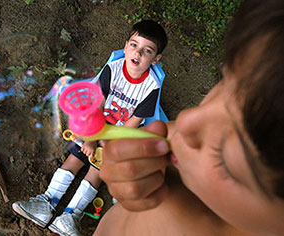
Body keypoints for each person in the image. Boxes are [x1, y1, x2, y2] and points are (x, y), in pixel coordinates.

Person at [93, 0, 284, 235]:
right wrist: (130, 175)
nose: (186, 120)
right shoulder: (181, 148)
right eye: (224, 80)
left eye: (223, 154)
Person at [12, 20, 168, 236]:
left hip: (120, 133)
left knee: (98, 168)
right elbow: (96, 105)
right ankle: (46, 203)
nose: (137, 53)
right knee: (75, 157)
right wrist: (92, 137)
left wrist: (105, 143)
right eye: (134, 45)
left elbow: (132, 125)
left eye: (147, 51)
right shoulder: (112, 70)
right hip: (98, 121)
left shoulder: (152, 87)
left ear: (155, 59)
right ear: (125, 46)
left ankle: (70, 216)